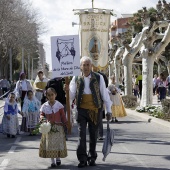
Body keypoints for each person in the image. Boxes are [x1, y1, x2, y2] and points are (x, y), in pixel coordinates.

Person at [65, 56, 112, 168]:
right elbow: (71, 96)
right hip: (81, 110)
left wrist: (109, 110)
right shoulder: (75, 78)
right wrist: (67, 91)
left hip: (95, 110)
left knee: (93, 135)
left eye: (87, 65)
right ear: (80, 66)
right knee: (81, 135)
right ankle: (82, 158)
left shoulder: (98, 77)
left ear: (91, 66)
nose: (85, 67)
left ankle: (92, 157)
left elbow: (104, 95)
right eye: (83, 65)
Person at [39, 88, 68, 168]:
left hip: (58, 128)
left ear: (55, 95)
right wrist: (42, 120)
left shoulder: (59, 105)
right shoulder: (44, 106)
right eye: (49, 95)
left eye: (52, 95)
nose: (51, 96)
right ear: (46, 96)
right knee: (50, 145)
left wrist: (66, 124)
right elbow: (42, 114)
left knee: (57, 144)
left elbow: (62, 116)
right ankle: (52, 161)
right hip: (48, 128)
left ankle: (58, 158)